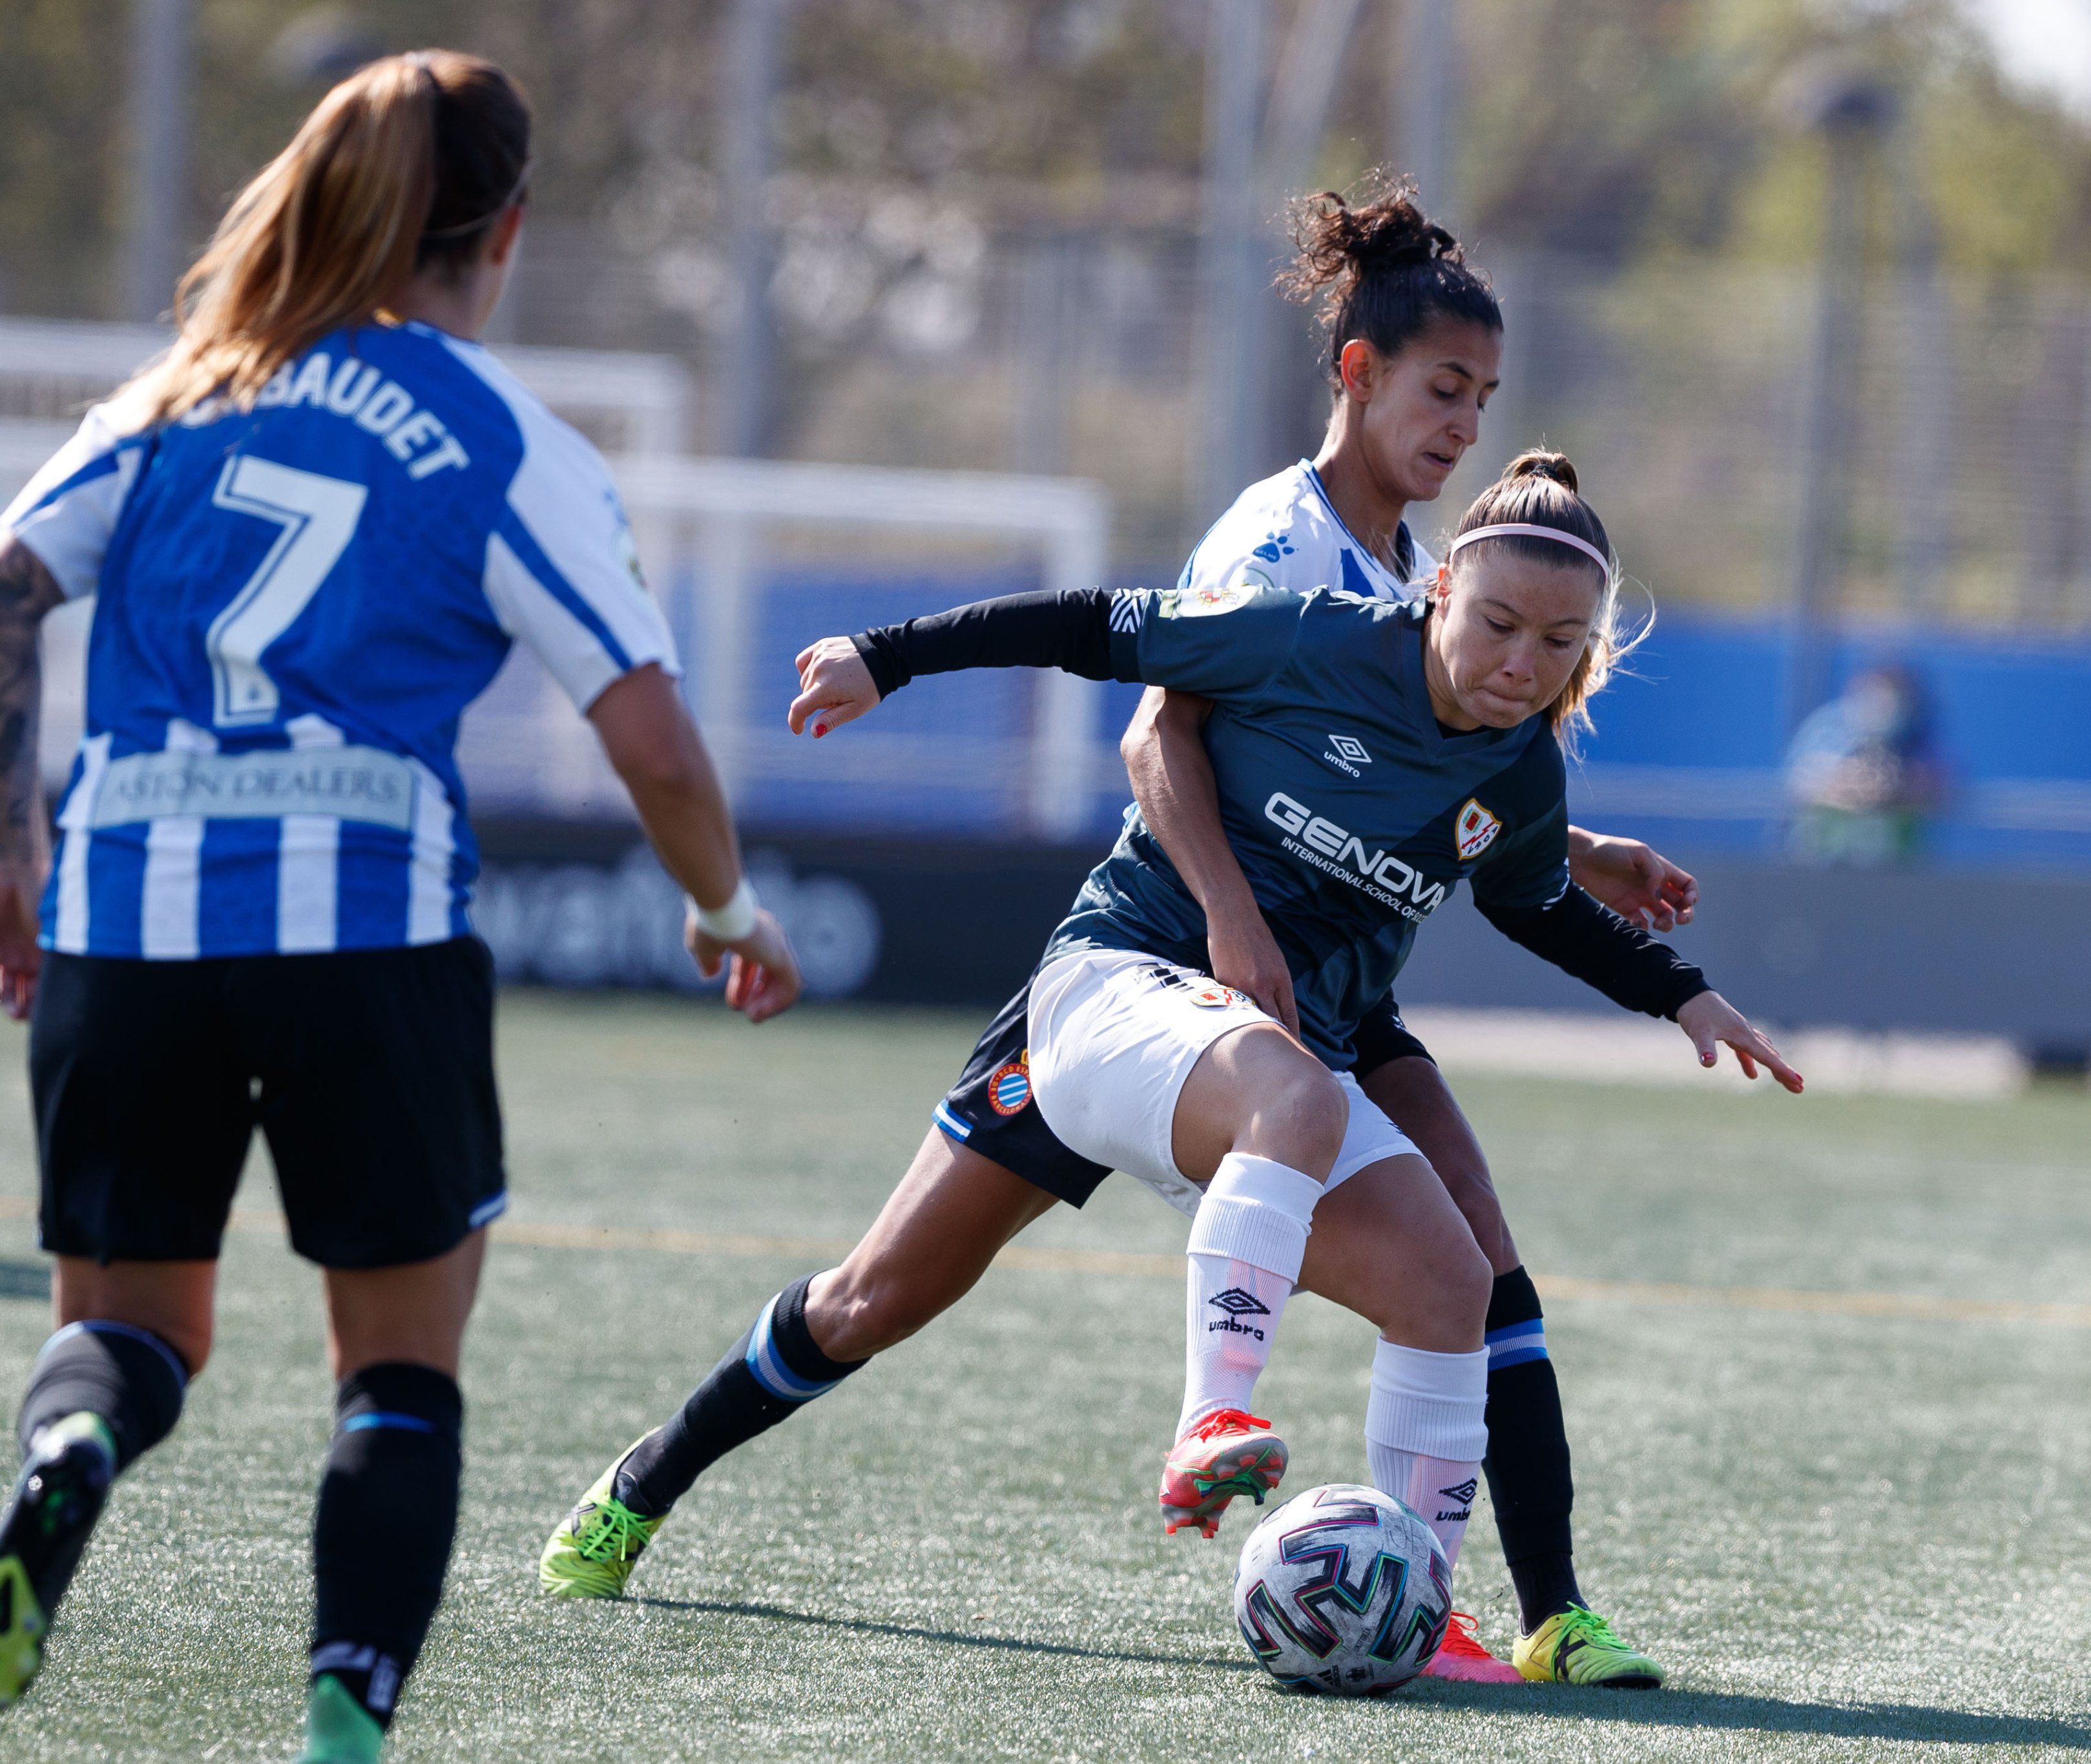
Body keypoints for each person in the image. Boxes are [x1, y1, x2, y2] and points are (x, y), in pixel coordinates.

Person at [541, 452, 1800, 1692]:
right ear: (1436, 596)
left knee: (1446, 1280)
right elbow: (1093, 628)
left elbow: (1532, 903)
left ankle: (1417, 1602)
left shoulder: (1517, 769)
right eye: (1498, 624)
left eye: (1558, 644)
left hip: (1257, 1066)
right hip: (1110, 996)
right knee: (867, 1301)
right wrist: (890, 654)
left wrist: (1677, 991)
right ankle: (644, 1488)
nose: (1522, 662)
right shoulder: (1309, 632)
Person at [0, 54, 800, 1761]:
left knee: (129, 1333)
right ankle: (344, 1726)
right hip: (366, 925)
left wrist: (10, 831)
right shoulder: (501, 433)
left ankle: (61, 1463)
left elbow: (6, 589)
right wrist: (726, 907)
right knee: (397, 1372)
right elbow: (651, 741)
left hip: (124, 913)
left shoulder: (172, 398)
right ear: (504, 231)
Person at [1110, 179, 1711, 1685]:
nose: (1463, 426)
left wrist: (1570, 848)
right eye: (1445, 391)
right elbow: (1159, 736)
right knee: (880, 1293)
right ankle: (641, 1489)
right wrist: (1235, 933)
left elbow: (1389, 770)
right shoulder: (1283, 545)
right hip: (1201, 983)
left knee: (1482, 1277)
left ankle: (1540, 1608)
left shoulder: (1395, 567)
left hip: (1339, 996)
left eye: (1483, 399)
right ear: (1359, 376)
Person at [1784, 662, 1942, 866]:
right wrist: (1847, 786)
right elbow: (1797, 782)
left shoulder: (1919, 736)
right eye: (1876, 695)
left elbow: (1943, 784)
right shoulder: (1828, 726)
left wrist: (1899, 790)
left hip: (1897, 867)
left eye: (1894, 698)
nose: (1883, 706)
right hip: (1822, 859)